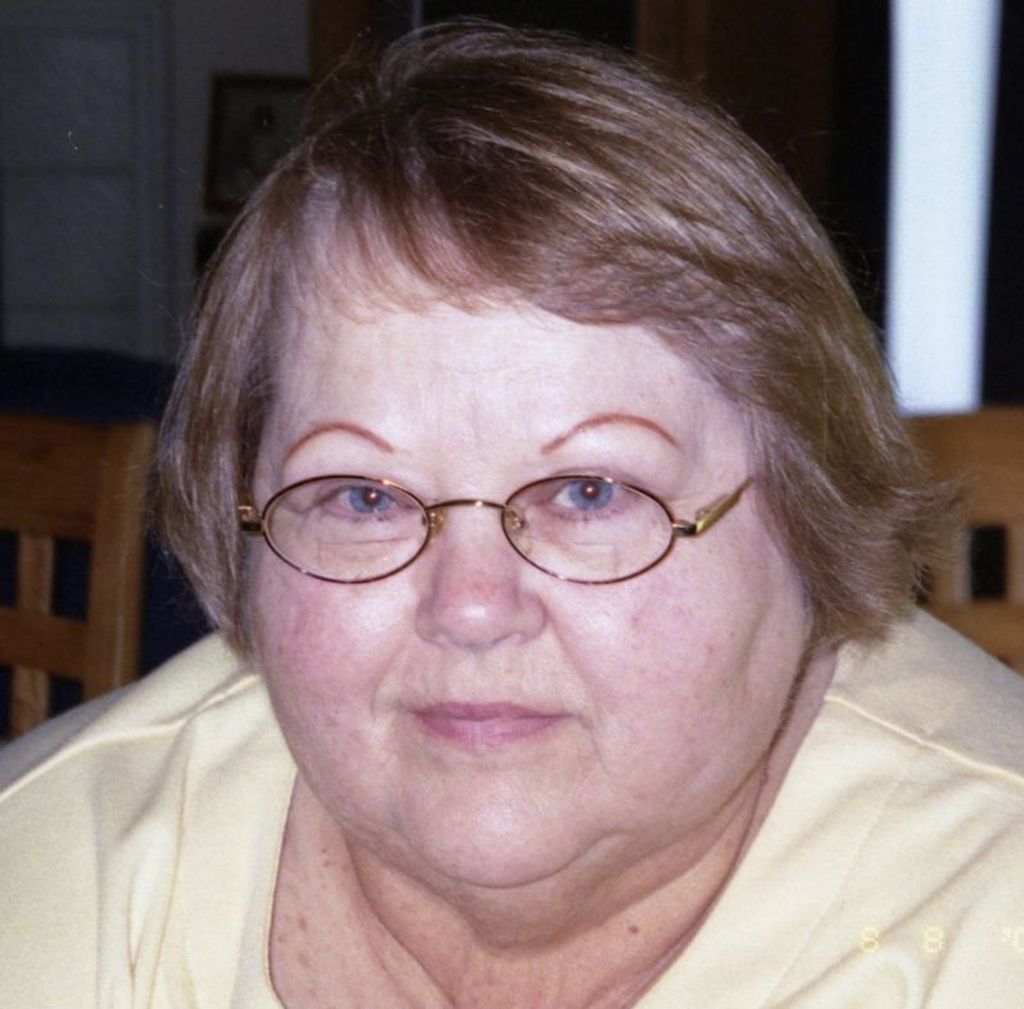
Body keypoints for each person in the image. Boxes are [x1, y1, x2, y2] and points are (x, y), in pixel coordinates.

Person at [2, 21, 1023, 1008]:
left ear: (811, 512)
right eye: (362, 496)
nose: (472, 608)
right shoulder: (46, 876)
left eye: (591, 491)